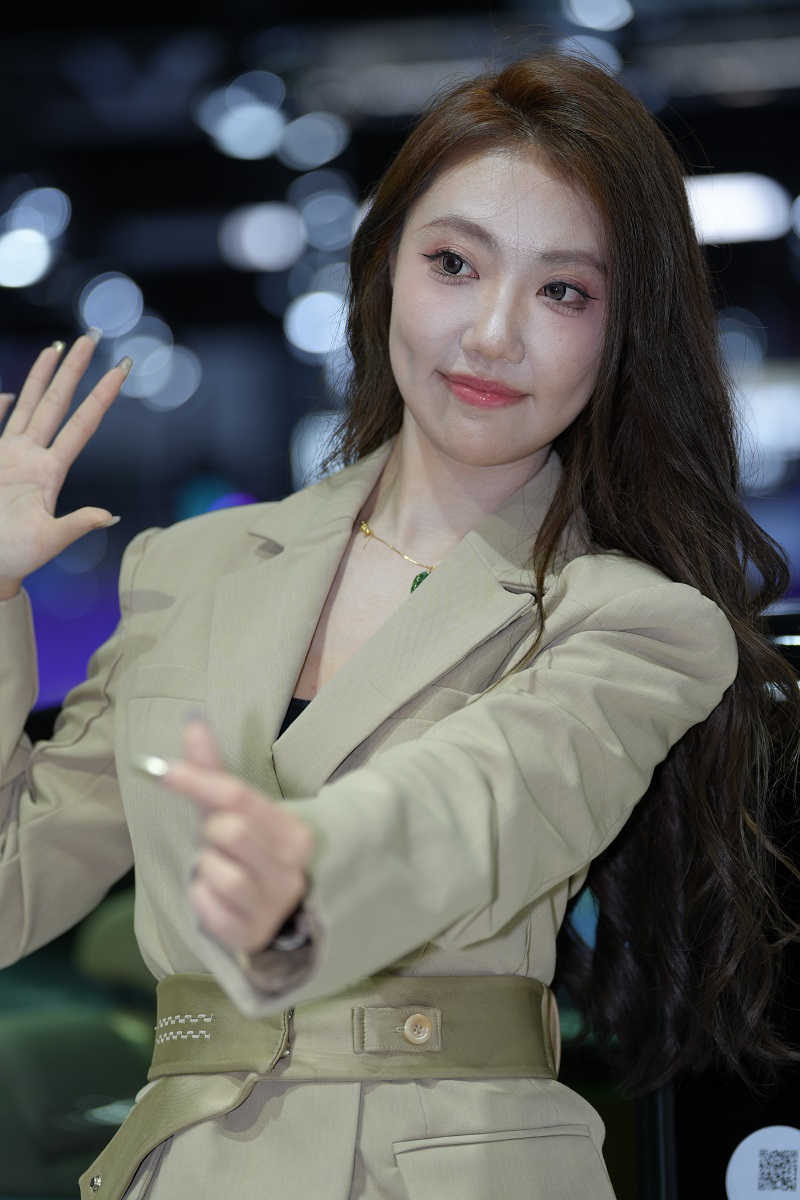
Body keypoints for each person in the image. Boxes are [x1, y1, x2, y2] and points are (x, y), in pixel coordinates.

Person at [0, 50, 797, 1200]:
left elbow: (477, 802)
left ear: (621, 331)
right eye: (453, 264)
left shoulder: (639, 625)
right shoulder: (193, 570)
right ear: (382, 272)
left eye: (562, 292)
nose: (490, 334)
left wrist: (305, 865)